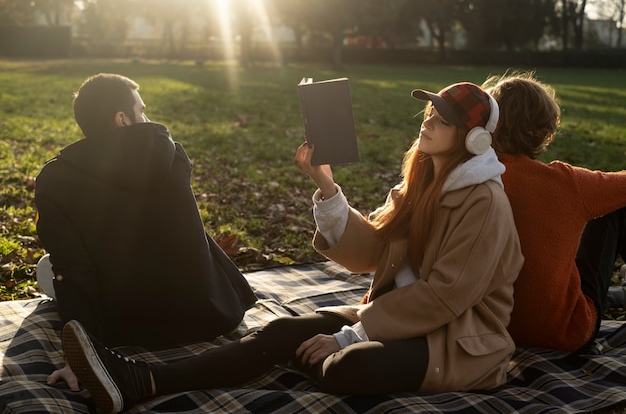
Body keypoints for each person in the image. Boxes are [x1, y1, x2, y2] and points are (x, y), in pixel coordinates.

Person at [60, 81, 524, 414]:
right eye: (428, 115)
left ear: (474, 139)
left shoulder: (483, 200)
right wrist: (325, 186)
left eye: (442, 121)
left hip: (459, 339)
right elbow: (371, 253)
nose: (428, 124)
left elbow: (446, 296)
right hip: (397, 317)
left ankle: (326, 353)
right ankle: (143, 379)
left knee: (348, 366)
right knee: (282, 331)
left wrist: (350, 335)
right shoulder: (420, 183)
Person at [35, 73, 256, 390]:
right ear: (122, 119)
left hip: (124, 327)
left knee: (50, 267)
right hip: (208, 315)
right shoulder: (172, 155)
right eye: (142, 111)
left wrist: (81, 353)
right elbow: (188, 240)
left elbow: (73, 269)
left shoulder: (54, 179)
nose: (148, 119)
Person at [482, 71, 626, 353]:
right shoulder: (566, 183)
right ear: (545, 131)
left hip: (490, 329)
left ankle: (613, 296)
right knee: (614, 206)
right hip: (564, 332)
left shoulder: (473, 177)